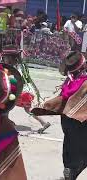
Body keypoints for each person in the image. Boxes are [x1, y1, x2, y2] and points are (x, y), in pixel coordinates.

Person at [32, 52, 87, 180]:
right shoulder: (81, 82)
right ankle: (73, 170)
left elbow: (63, 98)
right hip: (79, 122)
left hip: (68, 122)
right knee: (80, 146)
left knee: (71, 145)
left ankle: (70, 169)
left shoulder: (69, 82)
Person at [2, 45, 51, 133]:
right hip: (27, 90)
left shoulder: (15, 68)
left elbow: (17, 80)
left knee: (6, 104)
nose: (4, 59)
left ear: (10, 58)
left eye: (5, 57)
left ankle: (6, 123)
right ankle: (44, 123)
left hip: (22, 91)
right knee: (27, 109)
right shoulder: (21, 65)